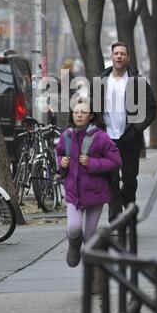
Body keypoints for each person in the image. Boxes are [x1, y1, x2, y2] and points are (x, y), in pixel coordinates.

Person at [56, 98, 122, 268]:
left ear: (91, 116)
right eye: (76, 111)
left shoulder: (101, 137)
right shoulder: (67, 136)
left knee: (90, 236)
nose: (79, 114)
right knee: (74, 228)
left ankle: (91, 276)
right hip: (73, 192)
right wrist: (61, 162)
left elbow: (116, 161)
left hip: (95, 194)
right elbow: (59, 155)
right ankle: (74, 245)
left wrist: (92, 163)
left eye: (83, 112)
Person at [100, 41, 157, 222]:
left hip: (130, 139)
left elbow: (151, 109)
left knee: (130, 181)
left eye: (122, 54)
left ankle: (129, 207)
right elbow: (92, 111)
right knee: (112, 181)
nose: (119, 56)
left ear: (128, 58)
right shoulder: (101, 81)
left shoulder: (138, 82)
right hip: (108, 140)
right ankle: (115, 219)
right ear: (111, 57)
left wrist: (136, 129)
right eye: (116, 53)